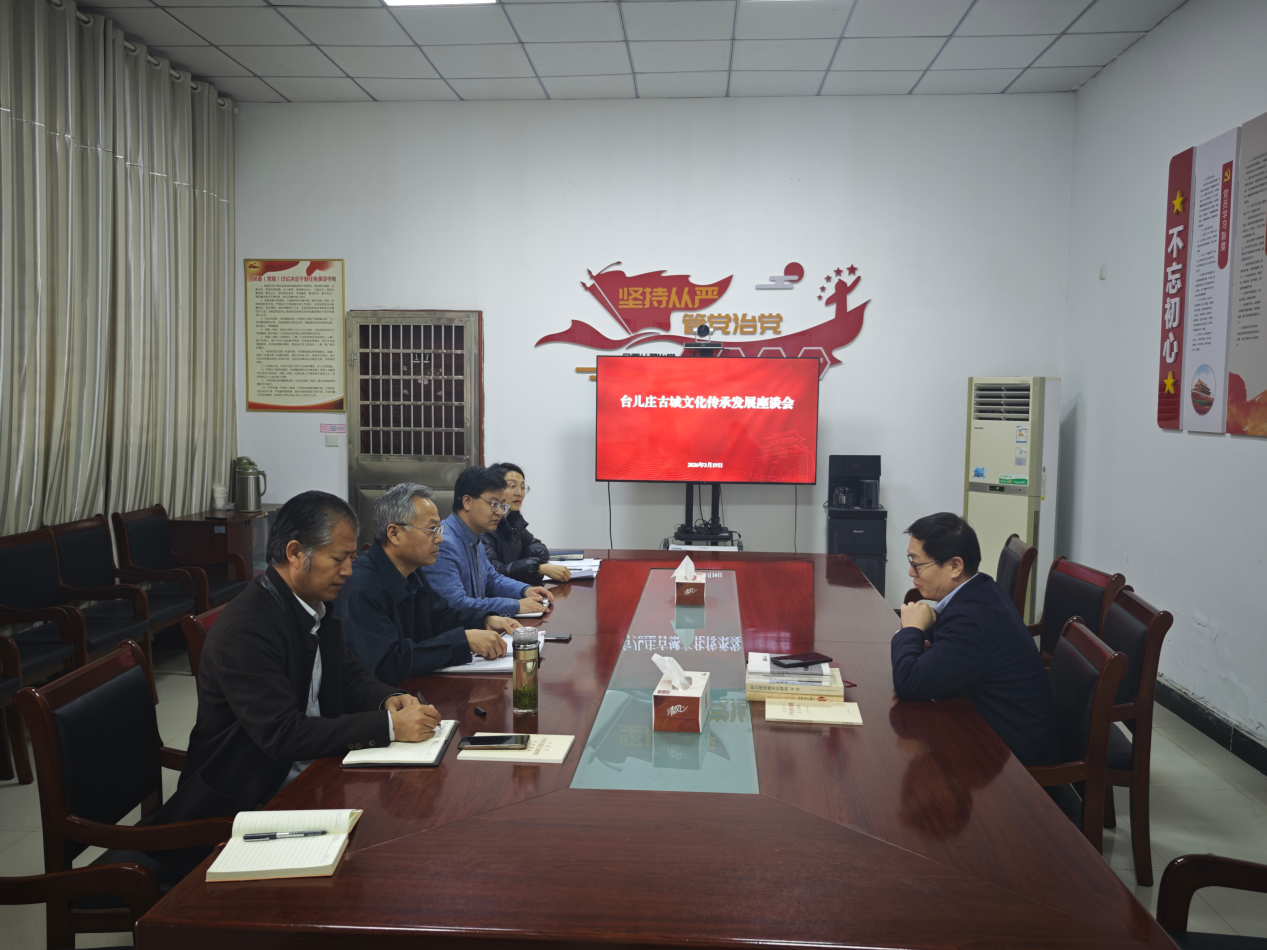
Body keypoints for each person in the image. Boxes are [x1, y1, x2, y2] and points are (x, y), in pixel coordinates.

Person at [151, 491, 441, 841]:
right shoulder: (247, 629)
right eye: (338, 558)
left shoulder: (312, 603)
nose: (348, 571)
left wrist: (387, 699)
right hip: (248, 801)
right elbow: (283, 734)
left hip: (314, 770)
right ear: (295, 552)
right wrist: (389, 726)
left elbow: (347, 673)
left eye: (351, 557)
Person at [891, 512, 1057, 767]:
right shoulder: (980, 587)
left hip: (1009, 753)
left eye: (917, 564)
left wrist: (911, 630)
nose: (911, 572)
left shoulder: (973, 620)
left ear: (955, 566)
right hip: (985, 721)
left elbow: (909, 683)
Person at [336, 482, 522, 685]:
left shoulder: (412, 571)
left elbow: (439, 616)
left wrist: (484, 620)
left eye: (439, 529)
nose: (440, 539)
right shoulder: (362, 589)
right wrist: (463, 641)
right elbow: (387, 663)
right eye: (432, 529)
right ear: (394, 533)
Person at [422, 466, 553, 616]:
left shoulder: (473, 536)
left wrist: (525, 590)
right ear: (467, 501)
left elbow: (491, 579)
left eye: (502, 505)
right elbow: (455, 604)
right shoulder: (444, 543)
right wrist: (514, 605)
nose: (499, 512)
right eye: (493, 504)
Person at [481, 462, 572, 584]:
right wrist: (537, 568)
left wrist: (527, 563)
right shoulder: (485, 526)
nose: (519, 493)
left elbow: (537, 546)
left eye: (523, 487)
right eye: (513, 486)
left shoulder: (513, 521)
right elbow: (492, 573)